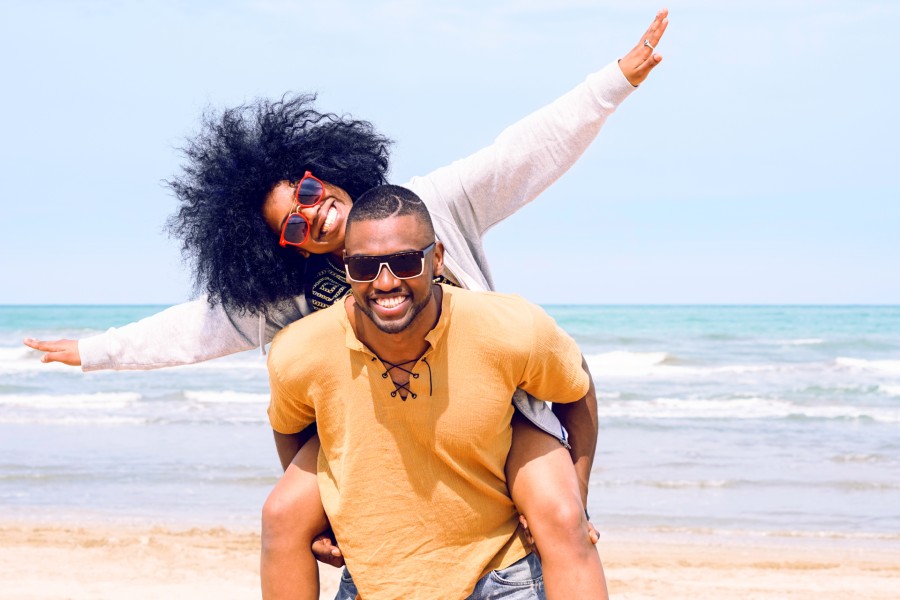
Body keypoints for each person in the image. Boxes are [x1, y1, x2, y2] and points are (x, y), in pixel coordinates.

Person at [23, 9, 668, 599]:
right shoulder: (291, 303)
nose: (312, 215)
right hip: (381, 433)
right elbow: (198, 328)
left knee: (558, 514)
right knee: (283, 513)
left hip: (487, 403)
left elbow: (519, 156)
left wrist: (613, 83)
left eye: (307, 190)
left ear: (326, 169)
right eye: (292, 228)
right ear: (287, 251)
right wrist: (93, 351)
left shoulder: (429, 205)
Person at [268, 184, 607, 599]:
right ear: (346, 265)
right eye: (365, 267)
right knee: (280, 513)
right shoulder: (300, 351)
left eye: (406, 261)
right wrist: (321, 515)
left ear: (438, 259)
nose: (386, 281)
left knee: (564, 514)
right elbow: (289, 425)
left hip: (505, 570)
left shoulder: (510, 328)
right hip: (378, 577)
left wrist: (579, 491)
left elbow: (576, 388)